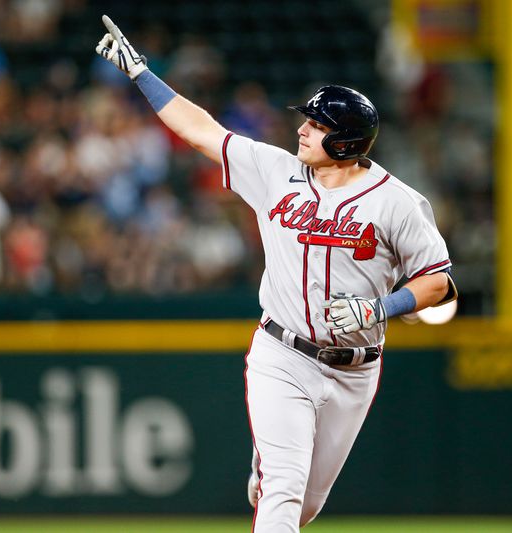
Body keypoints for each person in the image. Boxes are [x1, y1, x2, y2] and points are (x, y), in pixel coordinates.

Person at [96, 15, 457, 532]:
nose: (302, 129)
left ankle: (267, 474)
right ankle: (273, 476)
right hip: (282, 352)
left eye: (317, 125)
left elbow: (437, 281)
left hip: (356, 368)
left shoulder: (398, 203)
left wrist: (381, 307)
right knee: (283, 498)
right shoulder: (275, 171)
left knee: (305, 506)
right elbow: (204, 131)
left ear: (347, 141)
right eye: (306, 121)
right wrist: (142, 75)